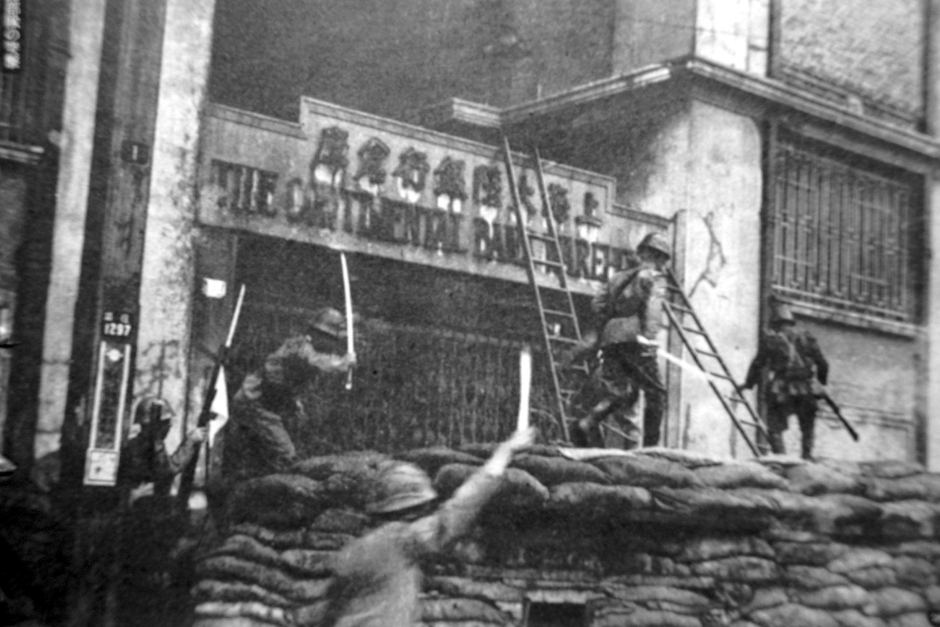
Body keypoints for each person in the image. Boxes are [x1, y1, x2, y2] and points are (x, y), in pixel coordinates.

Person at [295, 426, 536, 627]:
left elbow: (329, 609)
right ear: (411, 510)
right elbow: (455, 512)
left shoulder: (356, 549)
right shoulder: (401, 540)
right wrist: (504, 453)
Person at [222, 307, 356, 482]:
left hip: (268, 403)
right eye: (328, 337)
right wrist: (341, 363)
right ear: (315, 333)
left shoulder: (308, 348)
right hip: (254, 403)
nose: (330, 343)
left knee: (264, 453)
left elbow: (289, 380)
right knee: (286, 452)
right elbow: (314, 360)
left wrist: (295, 403)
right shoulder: (299, 346)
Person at [575, 232, 670, 449]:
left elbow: (597, 305)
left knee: (619, 392)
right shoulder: (653, 278)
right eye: (663, 259)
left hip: (611, 339)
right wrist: (648, 338)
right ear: (659, 256)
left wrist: (612, 328)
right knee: (657, 393)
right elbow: (653, 310)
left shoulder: (617, 277)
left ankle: (589, 421)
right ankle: (651, 449)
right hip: (635, 339)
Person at [741, 301, 829, 459]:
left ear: (775, 323)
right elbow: (823, 364)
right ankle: (806, 458)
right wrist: (821, 383)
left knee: (775, 427)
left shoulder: (771, 339)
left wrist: (748, 384)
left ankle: (782, 460)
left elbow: (758, 364)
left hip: (781, 389)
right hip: (807, 388)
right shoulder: (807, 337)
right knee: (807, 427)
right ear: (791, 322)